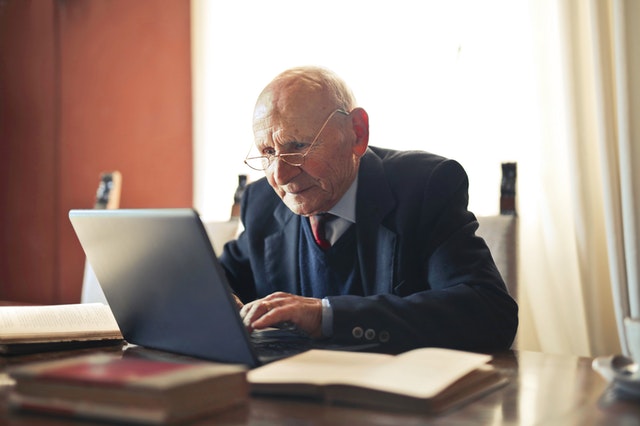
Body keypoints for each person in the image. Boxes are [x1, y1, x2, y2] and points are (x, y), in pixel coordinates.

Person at [219, 66, 518, 354]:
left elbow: (489, 313)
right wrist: (218, 302)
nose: (280, 175)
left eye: (297, 146)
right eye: (268, 152)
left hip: (396, 398)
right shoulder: (262, 203)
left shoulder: (425, 187)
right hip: (288, 397)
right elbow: (218, 279)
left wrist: (324, 315)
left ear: (357, 133)